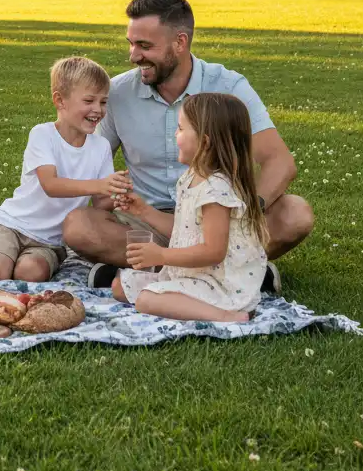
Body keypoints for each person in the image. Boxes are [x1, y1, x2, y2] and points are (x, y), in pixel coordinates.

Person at [62, 0, 314, 293]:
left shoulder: (228, 86)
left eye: (144, 45)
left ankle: (146, 271)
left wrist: (241, 216)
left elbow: (280, 163)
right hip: (147, 220)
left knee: (295, 214)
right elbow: (90, 162)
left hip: (216, 217)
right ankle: (231, 271)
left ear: (179, 43)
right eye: (131, 43)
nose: (133, 55)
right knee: (78, 225)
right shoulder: (116, 93)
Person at [111, 92, 268, 322]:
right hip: (193, 275)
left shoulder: (215, 190)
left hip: (220, 285)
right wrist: (144, 211)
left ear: (204, 142)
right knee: (119, 286)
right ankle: (187, 301)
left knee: (146, 300)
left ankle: (228, 316)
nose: (175, 134)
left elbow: (214, 251)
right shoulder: (191, 177)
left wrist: (161, 255)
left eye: (181, 129)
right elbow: (185, 229)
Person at [0, 57, 125, 283]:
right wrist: (99, 185)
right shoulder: (43, 135)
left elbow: (100, 204)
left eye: (103, 102)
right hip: (11, 225)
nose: (97, 109)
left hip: (50, 241)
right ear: (60, 101)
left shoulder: (101, 146)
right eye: (89, 100)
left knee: (29, 274)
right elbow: (51, 185)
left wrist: (118, 193)